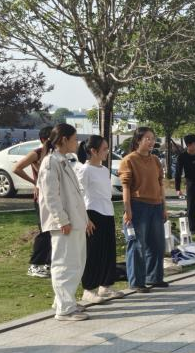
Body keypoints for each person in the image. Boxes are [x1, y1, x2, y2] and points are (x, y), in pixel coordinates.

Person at [37, 123, 92, 321]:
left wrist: (85, 219)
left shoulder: (64, 160)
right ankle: (65, 308)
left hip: (75, 220)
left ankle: (65, 300)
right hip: (64, 223)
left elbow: (75, 195)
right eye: (74, 139)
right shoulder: (50, 162)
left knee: (76, 263)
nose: (77, 143)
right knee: (64, 264)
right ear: (64, 140)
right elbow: (51, 196)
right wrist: (62, 220)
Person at [118, 127, 168, 292]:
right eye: (147, 138)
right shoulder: (129, 160)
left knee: (157, 244)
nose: (151, 142)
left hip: (156, 206)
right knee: (137, 245)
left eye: (153, 138)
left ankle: (154, 277)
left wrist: (164, 207)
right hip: (137, 205)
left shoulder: (155, 160)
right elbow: (126, 186)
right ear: (138, 140)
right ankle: (137, 282)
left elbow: (161, 184)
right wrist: (127, 209)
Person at [74, 135, 121, 304]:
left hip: (107, 213)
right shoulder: (84, 170)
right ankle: (89, 289)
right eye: (105, 149)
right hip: (92, 214)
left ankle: (105, 286)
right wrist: (86, 219)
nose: (108, 152)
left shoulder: (104, 170)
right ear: (93, 151)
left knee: (108, 251)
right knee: (93, 253)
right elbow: (79, 196)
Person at [13, 126, 53, 278]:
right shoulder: (37, 153)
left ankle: (48, 263)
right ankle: (35, 265)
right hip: (42, 198)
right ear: (44, 139)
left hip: (53, 197)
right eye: (53, 138)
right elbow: (17, 168)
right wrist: (34, 182)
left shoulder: (55, 154)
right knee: (45, 231)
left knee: (53, 231)